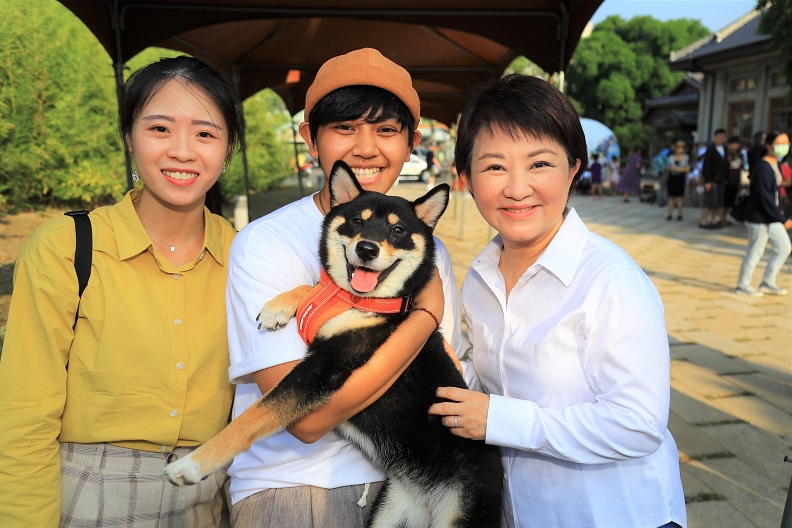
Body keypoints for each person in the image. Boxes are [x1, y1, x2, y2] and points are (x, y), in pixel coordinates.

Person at [428, 74, 687, 528]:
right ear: (464, 179)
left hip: (618, 515)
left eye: (539, 164)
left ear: (574, 169)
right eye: (493, 167)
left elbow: (638, 424)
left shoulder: (611, 280)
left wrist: (502, 420)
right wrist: (450, 365)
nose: (517, 187)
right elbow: (496, 388)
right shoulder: (479, 279)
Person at [225, 48, 464, 527]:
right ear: (310, 140)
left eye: (386, 130)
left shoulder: (421, 250)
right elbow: (307, 419)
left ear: (413, 141)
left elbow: (444, 377)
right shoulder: (265, 243)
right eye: (344, 128)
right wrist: (424, 318)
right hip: (296, 489)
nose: (366, 147)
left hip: (408, 483)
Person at [0, 56, 242, 527]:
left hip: (207, 499)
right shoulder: (66, 248)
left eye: (205, 134)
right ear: (129, 138)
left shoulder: (245, 255)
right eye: (159, 129)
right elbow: (24, 416)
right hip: (85, 496)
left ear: (227, 150)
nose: (182, 151)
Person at [735, 131, 792, 297]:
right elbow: (764, 197)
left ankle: (768, 281)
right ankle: (742, 285)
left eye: (786, 143)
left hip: (772, 216)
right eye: (780, 143)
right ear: (769, 145)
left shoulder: (777, 164)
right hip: (759, 218)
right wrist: (782, 218)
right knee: (755, 251)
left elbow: (775, 193)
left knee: (784, 247)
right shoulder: (762, 167)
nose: (784, 147)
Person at [700, 128, 729, 228]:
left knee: (717, 202)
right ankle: (703, 221)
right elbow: (706, 166)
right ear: (714, 137)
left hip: (721, 180)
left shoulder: (725, 149)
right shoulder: (710, 149)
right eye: (719, 137)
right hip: (712, 180)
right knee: (708, 201)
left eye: (722, 137)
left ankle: (713, 221)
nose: (721, 139)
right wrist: (707, 181)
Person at [666, 140, 690, 221]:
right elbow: (667, 168)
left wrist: (675, 168)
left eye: (681, 148)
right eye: (678, 148)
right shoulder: (671, 157)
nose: (679, 150)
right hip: (672, 178)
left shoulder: (686, 157)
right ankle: (670, 214)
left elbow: (687, 169)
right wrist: (679, 169)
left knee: (680, 197)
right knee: (671, 197)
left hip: (680, 178)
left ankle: (680, 214)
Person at [724, 136, 745, 225]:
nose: (734, 146)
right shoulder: (725, 154)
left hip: (736, 182)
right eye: (732, 144)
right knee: (724, 202)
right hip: (727, 182)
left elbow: (743, 167)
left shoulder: (741, 155)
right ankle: (722, 219)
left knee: (732, 202)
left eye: (736, 144)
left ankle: (726, 218)